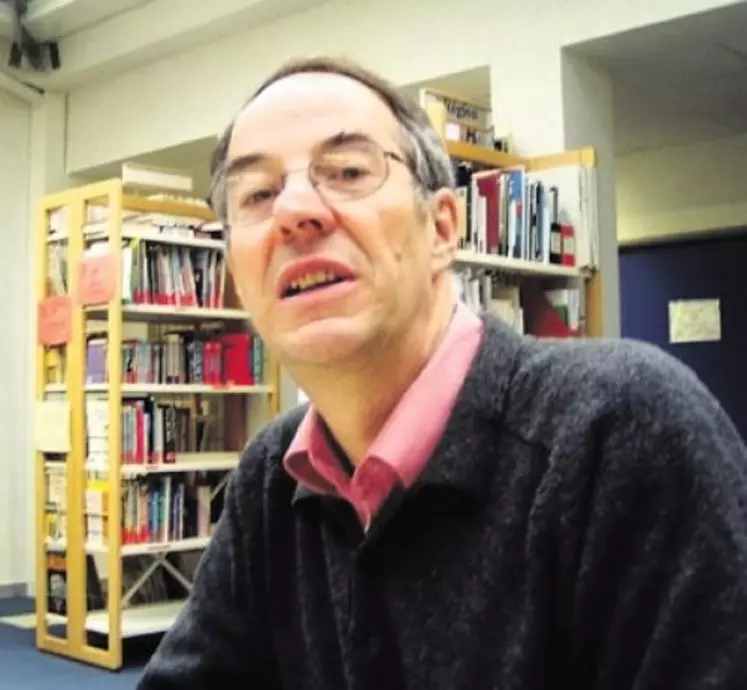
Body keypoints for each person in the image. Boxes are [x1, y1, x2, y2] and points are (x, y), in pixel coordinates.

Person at [136, 56, 747, 689]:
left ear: (443, 228)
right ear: (237, 275)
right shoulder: (272, 477)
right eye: (256, 194)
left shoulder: (620, 430)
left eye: (346, 171)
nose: (294, 210)